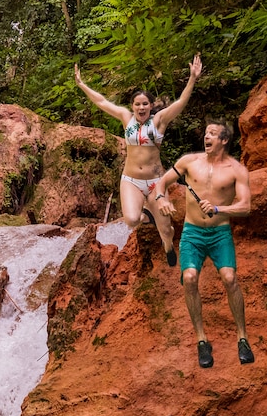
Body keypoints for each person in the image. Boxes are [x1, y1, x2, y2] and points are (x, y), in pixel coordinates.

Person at [73, 55, 203, 265]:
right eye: (137, 104)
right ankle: (145, 215)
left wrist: (193, 79)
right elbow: (101, 101)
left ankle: (168, 246)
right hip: (131, 179)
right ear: (132, 106)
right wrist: (82, 85)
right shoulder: (126, 118)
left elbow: (181, 102)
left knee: (166, 229)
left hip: (156, 182)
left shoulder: (159, 121)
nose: (141, 108)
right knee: (132, 220)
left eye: (145, 104)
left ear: (151, 105)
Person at [153, 120, 254, 368]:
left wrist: (220, 208)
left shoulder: (236, 169)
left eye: (212, 134)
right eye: (205, 133)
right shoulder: (189, 162)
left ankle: (242, 337)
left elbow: (245, 207)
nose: (206, 137)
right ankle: (201, 341)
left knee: (230, 278)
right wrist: (160, 199)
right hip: (192, 232)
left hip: (220, 233)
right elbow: (161, 183)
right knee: (189, 278)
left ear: (224, 140)